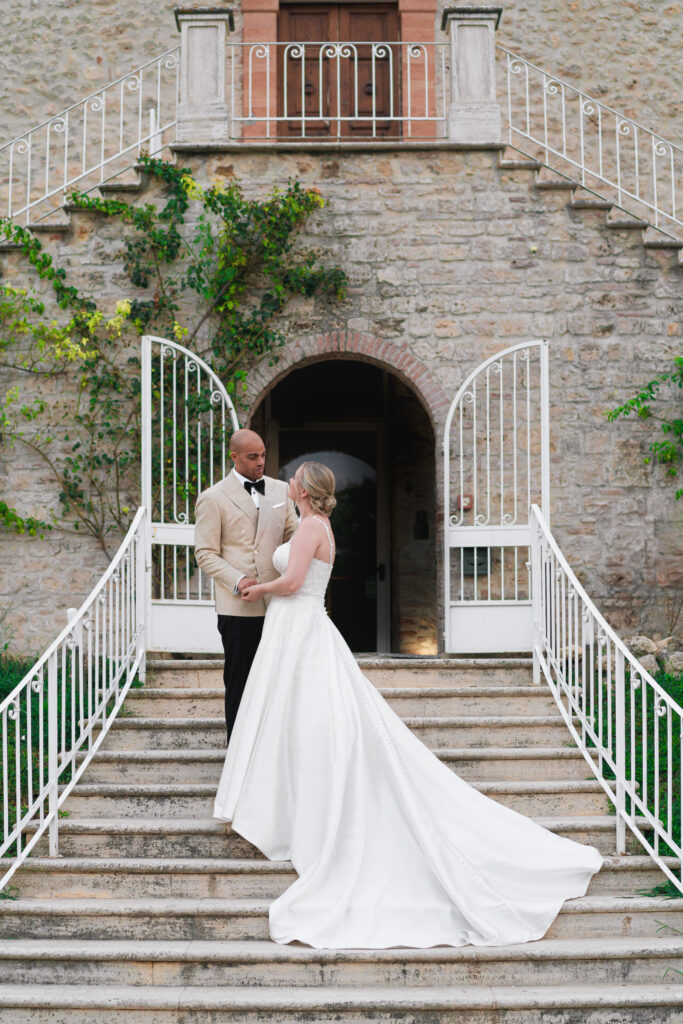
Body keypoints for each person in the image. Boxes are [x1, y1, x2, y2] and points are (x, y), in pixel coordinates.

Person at [213, 461, 603, 949]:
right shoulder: (309, 522)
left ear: (306, 491)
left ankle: (308, 812)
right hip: (294, 629)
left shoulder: (313, 526)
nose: (287, 480)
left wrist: (257, 586)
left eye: (295, 479)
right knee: (293, 721)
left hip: (300, 626)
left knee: (311, 719)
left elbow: (292, 583)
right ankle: (285, 807)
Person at [194, 429, 298, 743]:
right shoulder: (212, 497)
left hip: (279, 603)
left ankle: (271, 748)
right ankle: (237, 752)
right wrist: (237, 580)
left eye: (263, 455)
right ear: (234, 456)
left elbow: (295, 537)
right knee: (240, 681)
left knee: (277, 681)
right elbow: (205, 553)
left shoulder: (280, 491)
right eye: (253, 457)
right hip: (237, 606)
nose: (260, 462)